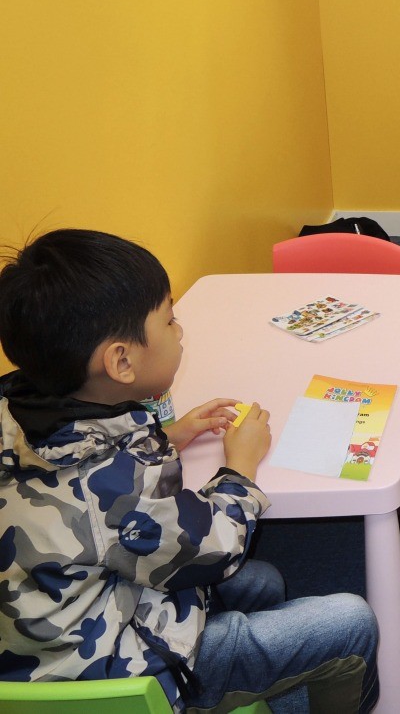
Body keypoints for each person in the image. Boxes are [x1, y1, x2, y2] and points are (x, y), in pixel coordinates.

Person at [0, 229, 379, 713]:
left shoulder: (20, 407)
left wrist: (168, 434)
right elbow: (216, 547)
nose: (179, 331)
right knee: (351, 622)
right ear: (121, 360)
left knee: (262, 582)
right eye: (169, 319)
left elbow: (89, 484)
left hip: (51, 636)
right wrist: (239, 467)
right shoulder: (115, 487)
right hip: (122, 672)